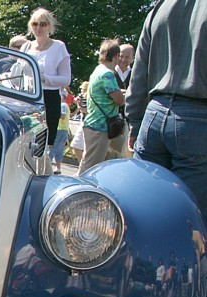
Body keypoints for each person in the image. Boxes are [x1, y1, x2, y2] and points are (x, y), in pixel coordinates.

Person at [125, 0, 207, 223]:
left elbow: (139, 70)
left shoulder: (162, 6)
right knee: (189, 221)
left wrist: (135, 120)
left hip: (154, 114)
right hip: (198, 119)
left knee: (141, 209)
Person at [20, 8, 71, 147]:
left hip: (49, 98)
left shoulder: (58, 47)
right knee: (24, 139)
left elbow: (66, 79)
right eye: (35, 24)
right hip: (27, 97)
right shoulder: (26, 46)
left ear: (49, 26)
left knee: (43, 143)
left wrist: (43, 78)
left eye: (43, 24)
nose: (38, 27)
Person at [75, 39, 124, 176]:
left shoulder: (98, 70)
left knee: (97, 162)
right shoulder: (107, 74)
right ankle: (78, 191)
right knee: (90, 167)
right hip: (100, 127)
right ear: (115, 56)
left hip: (93, 124)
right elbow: (119, 100)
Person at [107, 43, 134, 159]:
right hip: (108, 118)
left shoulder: (135, 74)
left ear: (132, 58)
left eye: (127, 57)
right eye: (121, 56)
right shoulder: (109, 72)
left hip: (126, 118)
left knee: (122, 153)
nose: (123, 60)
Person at [49, 90, 70, 174]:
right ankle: (58, 168)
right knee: (59, 150)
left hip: (60, 129)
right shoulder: (65, 105)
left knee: (53, 148)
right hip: (63, 129)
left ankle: (46, 166)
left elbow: (62, 116)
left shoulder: (62, 105)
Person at [69, 81, 88, 162]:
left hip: (87, 122)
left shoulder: (90, 96)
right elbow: (75, 100)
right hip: (83, 121)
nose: (81, 90)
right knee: (78, 145)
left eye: (83, 89)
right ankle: (82, 164)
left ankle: (83, 165)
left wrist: (82, 109)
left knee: (77, 145)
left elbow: (86, 110)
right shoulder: (81, 96)